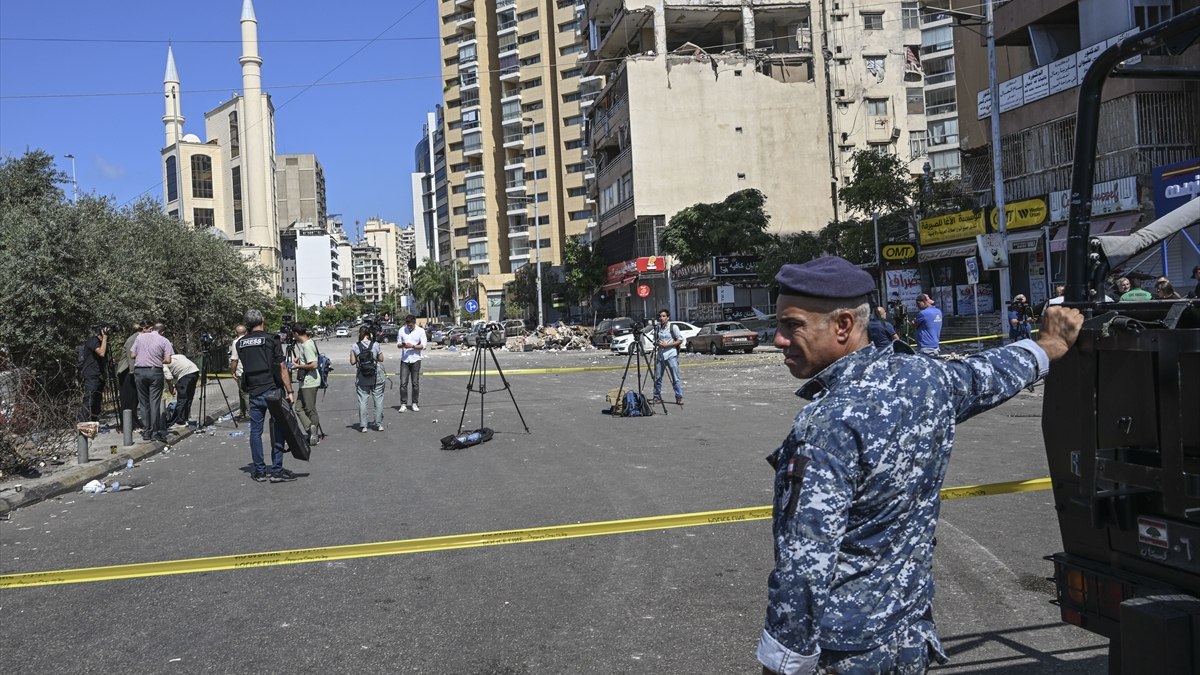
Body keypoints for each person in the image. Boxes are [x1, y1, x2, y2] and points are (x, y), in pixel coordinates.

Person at [757, 256, 1084, 675]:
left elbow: (804, 564)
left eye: (791, 325)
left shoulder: (827, 424)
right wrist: (1049, 346)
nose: (779, 340)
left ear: (842, 326)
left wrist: (783, 662)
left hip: (842, 653)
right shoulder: (925, 380)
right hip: (906, 638)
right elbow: (988, 374)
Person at [235, 309, 297, 483]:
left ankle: (260, 471)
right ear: (262, 320)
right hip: (273, 390)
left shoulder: (240, 343)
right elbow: (282, 367)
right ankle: (276, 471)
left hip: (254, 392)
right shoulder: (271, 339)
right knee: (278, 429)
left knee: (255, 432)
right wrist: (290, 391)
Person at [130, 320, 173, 442]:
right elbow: (168, 360)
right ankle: (155, 432)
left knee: (143, 403)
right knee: (154, 402)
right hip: (155, 372)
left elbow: (133, 355)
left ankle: (146, 431)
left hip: (140, 372)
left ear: (152, 328)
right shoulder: (164, 341)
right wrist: (157, 359)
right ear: (162, 332)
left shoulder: (139, 338)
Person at [290, 323, 323, 444]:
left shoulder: (307, 345)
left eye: (293, 334)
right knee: (298, 408)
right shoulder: (306, 344)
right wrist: (298, 357)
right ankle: (310, 427)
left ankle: (314, 435)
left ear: (296, 333)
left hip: (310, 382)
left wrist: (298, 366)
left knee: (310, 409)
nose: (293, 337)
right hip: (304, 382)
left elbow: (313, 364)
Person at [351, 325, 385, 432]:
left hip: (362, 376)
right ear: (369, 334)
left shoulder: (355, 346)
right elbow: (381, 359)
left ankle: (363, 425)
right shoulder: (375, 344)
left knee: (363, 400)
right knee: (378, 400)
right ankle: (378, 424)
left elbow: (352, 362)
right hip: (376, 375)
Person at [649, 309, 684, 406]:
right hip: (660, 356)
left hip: (671, 355)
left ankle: (679, 396)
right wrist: (658, 343)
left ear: (667, 317)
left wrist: (667, 345)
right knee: (658, 378)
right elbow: (654, 340)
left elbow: (680, 340)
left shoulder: (673, 327)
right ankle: (656, 397)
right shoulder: (658, 328)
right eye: (660, 316)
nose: (662, 318)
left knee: (675, 378)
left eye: (664, 316)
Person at [78, 324, 110, 423]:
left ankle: (94, 421)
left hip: (99, 374)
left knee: (97, 399)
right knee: (89, 398)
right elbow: (101, 353)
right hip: (91, 374)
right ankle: (83, 421)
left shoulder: (103, 342)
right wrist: (104, 338)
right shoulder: (93, 340)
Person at [115, 321, 144, 430]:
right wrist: (133, 373)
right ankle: (129, 425)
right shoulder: (133, 339)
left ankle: (134, 423)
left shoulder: (139, 339)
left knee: (134, 400)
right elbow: (130, 358)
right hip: (127, 372)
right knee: (128, 400)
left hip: (133, 372)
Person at [395, 314, 426, 413]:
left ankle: (414, 403)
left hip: (416, 359)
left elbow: (423, 345)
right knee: (403, 383)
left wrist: (412, 346)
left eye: (411, 325)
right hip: (405, 360)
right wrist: (403, 345)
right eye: (408, 325)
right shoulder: (401, 330)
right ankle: (403, 404)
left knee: (415, 383)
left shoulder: (420, 331)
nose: (409, 327)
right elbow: (398, 344)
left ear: (414, 323)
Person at [162, 352, 200, 428]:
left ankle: (180, 421)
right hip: (195, 371)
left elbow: (168, 376)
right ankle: (185, 418)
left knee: (182, 398)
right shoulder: (178, 356)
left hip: (185, 374)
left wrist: (171, 387)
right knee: (189, 397)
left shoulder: (164, 363)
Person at [228, 324, 248, 420]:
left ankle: (248, 413)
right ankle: (242, 412)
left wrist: (232, 371)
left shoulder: (236, 342)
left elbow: (234, 359)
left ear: (236, 333)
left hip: (241, 371)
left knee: (244, 392)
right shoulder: (249, 340)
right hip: (251, 370)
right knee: (242, 392)